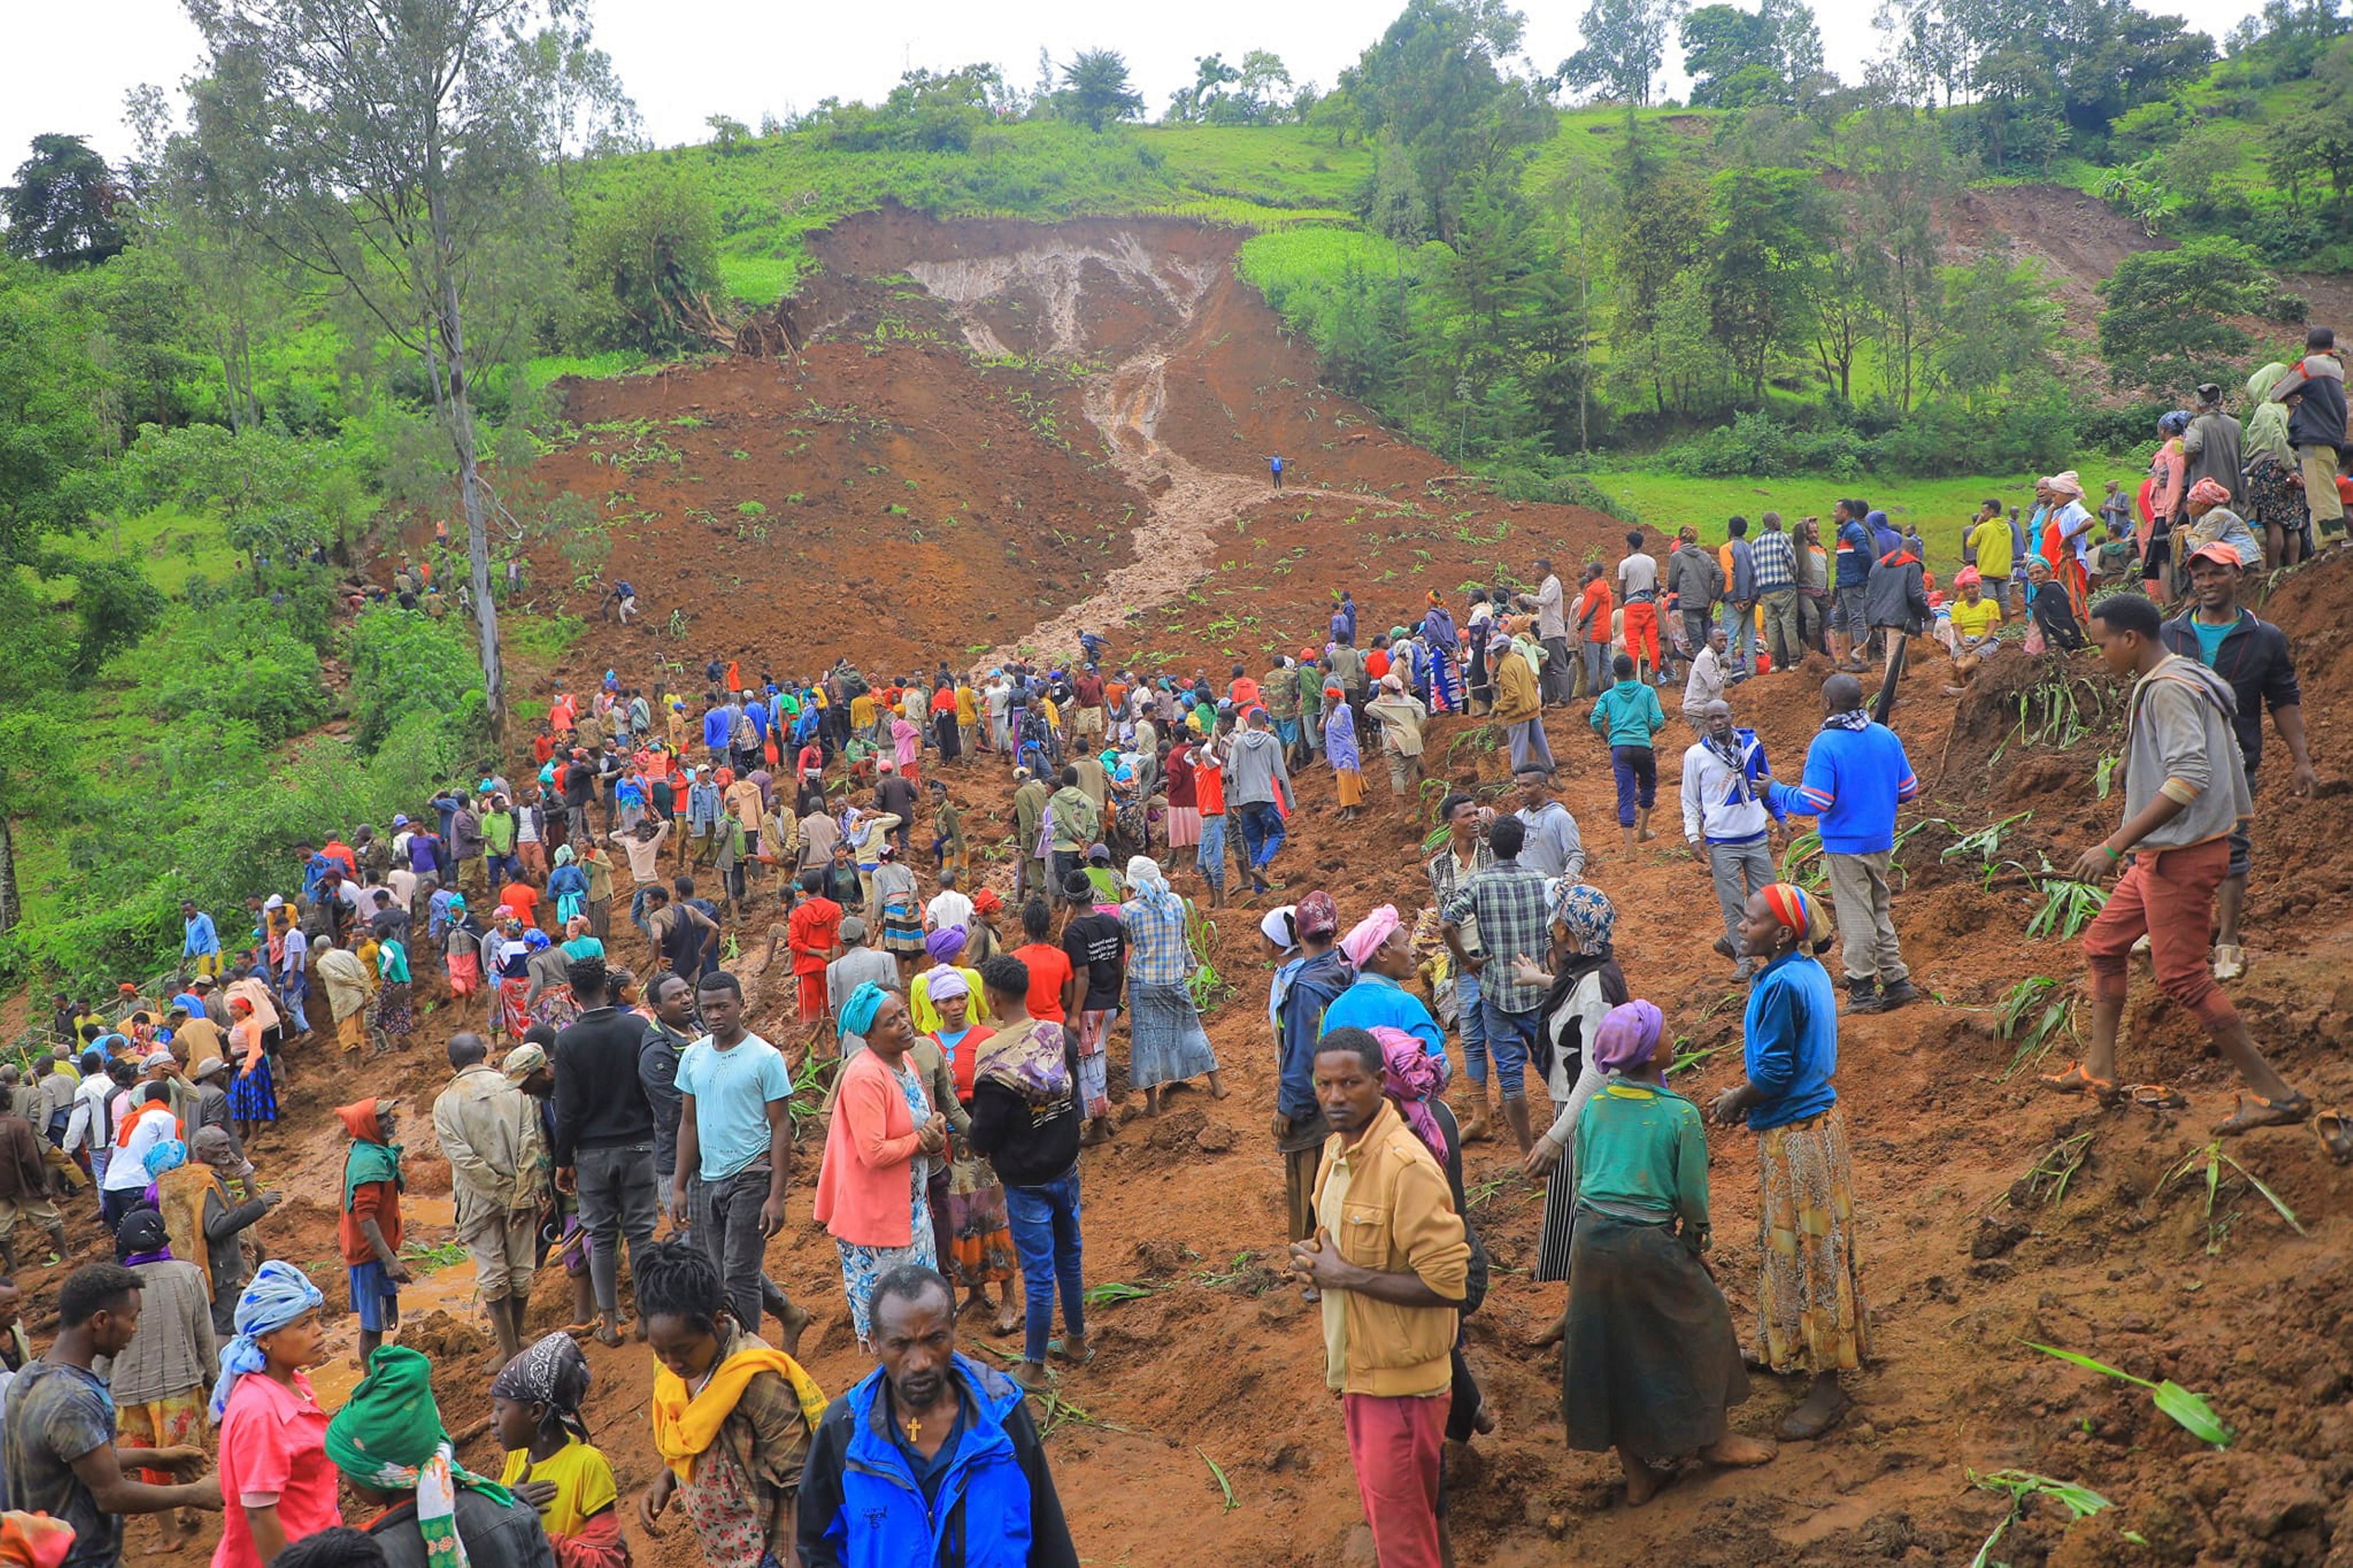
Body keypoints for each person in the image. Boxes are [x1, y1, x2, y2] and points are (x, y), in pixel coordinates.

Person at [2046, 594, 2318, 1138]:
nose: (2099, 655)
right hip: (2162, 854)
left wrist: (2114, 845)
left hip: (2182, 856)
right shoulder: (2181, 673)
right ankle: (2099, 1068)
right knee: (2103, 946)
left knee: (2184, 979)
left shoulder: (2169, 688)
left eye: (2102, 644)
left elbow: (2188, 776)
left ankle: (2278, 1094)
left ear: (2131, 639)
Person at [1561, 1003, 1773, 1501]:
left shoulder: (1595, 1106)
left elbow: (1584, 1177)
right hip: (1649, 1241)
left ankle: (1638, 1474)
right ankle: (1713, 1440)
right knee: (1705, 1319)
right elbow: (1693, 1200)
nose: (1675, 1034)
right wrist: (1695, 1247)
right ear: (1654, 1051)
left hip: (1591, 1241)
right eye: (1668, 1031)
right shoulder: (1680, 1115)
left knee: (1606, 1349)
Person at [1289, 1027, 1470, 1568]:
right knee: (1396, 1525)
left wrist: (1344, 1275)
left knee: (1403, 1541)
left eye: (1350, 1083)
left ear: (1380, 1083)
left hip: (1403, 1390)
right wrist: (1317, 1262)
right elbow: (1340, 1247)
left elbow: (1448, 1284)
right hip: (1361, 1373)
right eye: (1325, 1084)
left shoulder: (1405, 1167)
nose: (1336, 1097)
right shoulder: (1334, 1151)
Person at [1709, 886, 1867, 1441]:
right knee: (1806, 1246)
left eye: (1751, 921)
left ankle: (1829, 1388)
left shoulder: (1779, 986)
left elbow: (1775, 1073)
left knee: (1811, 1252)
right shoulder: (1806, 971)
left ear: (1781, 934)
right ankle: (1792, 1346)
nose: (1740, 925)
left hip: (1796, 1135)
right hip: (1817, 1127)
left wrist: (1737, 1099)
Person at [795, 1265, 1079, 1568]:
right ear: (874, 1341)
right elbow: (815, 1545)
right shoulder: (845, 1431)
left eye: (935, 1339)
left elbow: (1048, 1535)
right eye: (901, 1344)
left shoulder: (1002, 1418)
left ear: (954, 1329)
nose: (920, 1362)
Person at [2160, 544, 2318, 982]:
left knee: (2232, 846)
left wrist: (2301, 760)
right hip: (2173, 758)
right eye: (2200, 576)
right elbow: (2149, 698)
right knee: (2167, 839)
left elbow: (2283, 699)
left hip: (2235, 758)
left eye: (2217, 575)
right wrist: (2129, 754)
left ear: (2238, 577)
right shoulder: (2170, 633)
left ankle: (2227, 940)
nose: (2207, 583)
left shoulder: (2264, 637)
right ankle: (2165, 926)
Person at [7, 1263, 223, 1568]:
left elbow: (79, 1459)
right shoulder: (74, 1399)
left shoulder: (30, 1377)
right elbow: (111, 1494)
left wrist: (157, 1457)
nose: (134, 1330)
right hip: (78, 1556)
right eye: (131, 1320)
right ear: (101, 1321)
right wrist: (194, 1493)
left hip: (45, 1548)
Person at [639, 1240, 827, 1568]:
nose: (672, 1362)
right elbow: (688, 1431)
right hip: (722, 1549)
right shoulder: (673, 1370)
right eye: (661, 1351)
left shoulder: (756, 1379)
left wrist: (797, 1559)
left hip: (767, 1551)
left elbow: (801, 1477)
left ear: (716, 1320)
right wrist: (666, 1478)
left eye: (684, 1349)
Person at [1763, 674, 1921, 1014]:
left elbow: (1815, 800)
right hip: (1881, 839)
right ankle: (1896, 980)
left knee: (1855, 913)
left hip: (1846, 843)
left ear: (1827, 703)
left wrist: (1776, 790)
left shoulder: (1827, 743)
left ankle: (1862, 987)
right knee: (1879, 907)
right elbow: (1909, 790)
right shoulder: (1885, 737)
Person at [966, 957, 1086, 1393]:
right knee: (1069, 1254)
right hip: (1065, 1166)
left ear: (993, 999)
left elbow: (983, 1135)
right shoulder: (1059, 1035)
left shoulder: (993, 1057)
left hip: (1025, 1181)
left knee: (1037, 1272)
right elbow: (1075, 1093)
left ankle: (1033, 1366)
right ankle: (1075, 1339)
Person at [326, 1346, 555, 1568]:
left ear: (381, 1476)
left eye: (347, 1469)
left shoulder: (373, 1557)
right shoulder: (511, 1508)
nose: (345, 1480)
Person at [673, 972, 806, 1351]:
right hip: (710, 1176)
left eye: (723, 1006)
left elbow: (781, 1128)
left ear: (741, 1006)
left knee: (738, 1276)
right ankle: (790, 1314)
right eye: (707, 1007)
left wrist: (777, 1195)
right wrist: (680, 1185)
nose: (714, 1015)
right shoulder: (695, 1056)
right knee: (724, 1269)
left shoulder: (765, 1058)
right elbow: (689, 1122)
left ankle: (747, 1358)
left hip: (752, 1173)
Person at [814, 986, 946, 1349]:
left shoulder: (906, 1062)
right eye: (892, 1021)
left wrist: (932, 1125)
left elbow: (914, 1118)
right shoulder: (865, 1077)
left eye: (903, 1013)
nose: (904, 1024)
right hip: (877, 1221)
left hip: (911, 1212)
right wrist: (922, 1141)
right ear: (869, 1036)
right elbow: (872, 1151)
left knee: (917, 1307)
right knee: (893, 1321)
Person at [551, 959, 657, 1347]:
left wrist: (563, 1161)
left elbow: (567, 1109)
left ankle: (610, 1323)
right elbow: (651, 1085)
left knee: (601, 1232)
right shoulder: (637, 1027)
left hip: (592, 1154)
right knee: (642, 1234)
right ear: (609, 986)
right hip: (640, 1145)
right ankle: (646, 1318)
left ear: (571, 993)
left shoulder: (568, 1040)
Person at [99, 1208, 217, 1544]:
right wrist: (213, 1375)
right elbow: (204, 1334)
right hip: (181, 1380)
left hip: (132, 1388)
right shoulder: (189, 1274)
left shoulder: (113, 1284)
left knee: (150, 1458)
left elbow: (102, 1343)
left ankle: (169, 1534)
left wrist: (102, 1381)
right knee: (183, 1451)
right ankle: (191, 1508)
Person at [210, 1262, 339, 1568]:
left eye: (316, 1319)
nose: (319, 1331)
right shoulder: (260, 1412)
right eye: (304, 1324)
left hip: (315, 1546)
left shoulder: (296, 1385)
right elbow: (259, 1513)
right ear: (266, 1339)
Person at [1438, 817, 1553, 1154]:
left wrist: (1467, 961)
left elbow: (1446, 923)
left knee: (1510, 1074)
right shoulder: (1541, 880)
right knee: (1552, 1066)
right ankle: (1568, 1134)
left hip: (1496, 991)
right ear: (1521, 846)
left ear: (1492, 846)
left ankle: (1526, 1151)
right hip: (1537, 988)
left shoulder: (1479, 883)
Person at [431, 1032, 544, 1364]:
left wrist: (498, 1190)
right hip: (520, 1194)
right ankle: (516, 1336)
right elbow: (530, 1141)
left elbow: (462, 1160)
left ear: (452, 1063)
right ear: (484, 1052)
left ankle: (507, 1348)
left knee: (493, 1272)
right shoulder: (516, 1090)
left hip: (477, 1198)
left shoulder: (445, 1103)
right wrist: (518, 1193)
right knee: (522, 1267)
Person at [492, 1334, 626, 1568]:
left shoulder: (587, 1465)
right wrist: (507, 1500)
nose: (492, 1421)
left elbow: (609, 1558)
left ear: (536, 1412)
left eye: (500, 1409)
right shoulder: (518, 1456)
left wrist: (535, 1536)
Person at [1268, 895, 1352, 1268]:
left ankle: (1310, 1265)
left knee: (1310, 1188)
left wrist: (1289, 1107)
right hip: (1351, 1089)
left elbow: (1301, 1053)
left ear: (1299, 935)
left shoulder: (1305, 986)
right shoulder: (1348, 967)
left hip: (1316, 1102)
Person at [1681, 700, 1785, 981]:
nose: (1717, 723)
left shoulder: (1752, 746)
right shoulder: (1696, 756)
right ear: (1705, 723)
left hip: (1756, 835)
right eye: (1711, 719)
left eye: (1721, 717)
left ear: (1732, 717)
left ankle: (1774, 955)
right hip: (1721, 841)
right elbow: (1690, 799)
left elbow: (1767, 785)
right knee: (1732, 903)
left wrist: (1781, 818)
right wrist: (1693, 836)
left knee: (1767, 899)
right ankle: (1744, 959)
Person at [1118, 858, 1225, 1114]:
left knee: (1147, 1041)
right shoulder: (1176, 902)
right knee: (1191, 1030)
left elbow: (1129, 940)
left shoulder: (1129, 910)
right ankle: (1218, 1086)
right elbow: (1183, 937)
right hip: (1174, 978)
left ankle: (1153, 1106)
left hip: (1144, 982)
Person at [337, 1099, 407, 1363]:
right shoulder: (369, 1163)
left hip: (369, 1253)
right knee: (373, 1326)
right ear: (367, 1125)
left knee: (375, 1321)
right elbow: (365, 1217)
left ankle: (373, 1381)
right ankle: (371, 1385)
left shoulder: (370, 1151)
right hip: (371, 1256)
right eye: (382, 1118)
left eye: (390, 1115)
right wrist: (390, 1261)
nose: (391, 1120)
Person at [1059, 873, 1126, 1146]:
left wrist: (1074, 1014)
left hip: (1089, 1007)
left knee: (1091, 1064)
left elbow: (1082, 975)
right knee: (1097, 1058)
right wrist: (1117, 997)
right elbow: (1121, 962)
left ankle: (1098, 1127)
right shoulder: (1111, 922)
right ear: (1092, 895)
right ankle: (1103, 1120)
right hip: (1109, 1002)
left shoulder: (1075, 932)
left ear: (1070, 901)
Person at [2266, 323, 2346, 545]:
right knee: (2317, 494)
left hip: (2314, 437)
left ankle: (2334, 541)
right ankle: (2321, 547)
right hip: (2331, 437)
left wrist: (2289, 397)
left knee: (2322, 495)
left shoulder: (2309, 365)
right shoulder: (2336, 367)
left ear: (2308, 346)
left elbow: (2276, 393)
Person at [1590, 653, 1667, 849]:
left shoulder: (1608, 696)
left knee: (1625, 793)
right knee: (1648, 786)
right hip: (1643, 746)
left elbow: (1595, 720)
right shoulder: (1647, 692)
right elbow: (1658, 720)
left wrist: (1608, 737)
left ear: (1614, 674)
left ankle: (1630, 849)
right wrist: (1646, 734)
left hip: (1620, 748)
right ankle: (1642, 832)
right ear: (1634, 672)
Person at [2243, 362, 2310, 569]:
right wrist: (2294, 468)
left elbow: (2277, 438)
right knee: (2292, 524)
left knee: (2274, 525)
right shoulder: (2291, 409)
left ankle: (2273, 571)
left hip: (2271, 468)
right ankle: (2293, 568)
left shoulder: (2266, 409)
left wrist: (2288, 466)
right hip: (2294, 467)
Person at [1227, 709, 1296, 896]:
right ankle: (1262, 865)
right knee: (1278, 834)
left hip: (1246, 802)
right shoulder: (1272, 743)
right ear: (1265, 725)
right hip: (1266, 798)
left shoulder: (1239, 743)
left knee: (1255, 842)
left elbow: (1231, 772)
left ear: (1249, 724)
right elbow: (1281, 774)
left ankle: (1259, 891)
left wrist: (1234, 799)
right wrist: (1289, 802)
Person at [0, 1096, 65, 1274]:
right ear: (8, 1101)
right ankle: (65, 1255)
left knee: (2, 1230)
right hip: (24, 1185)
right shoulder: (19, 1126)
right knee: (50, 1218)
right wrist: (41, 1183)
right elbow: (30, 1158)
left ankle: (13, 1268)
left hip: (2, 1189)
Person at [1490, 612, 1552, 779]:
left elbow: (1513, 695)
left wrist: (1497, 708)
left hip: (1518, 715)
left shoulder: (1506, 667)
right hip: (1533, 710)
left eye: (1496, 651)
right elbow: (1535, 682)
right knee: (1542, 748)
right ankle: (1552, 776)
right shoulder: (1520, 660)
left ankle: (1519, 780)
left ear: (1504, 649)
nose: (1494, 654)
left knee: (1518, 751)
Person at [1618, 529, 1665, 683]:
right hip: (1648, 605)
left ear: (1628, 545)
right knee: (1652, 642)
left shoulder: (1625, 564)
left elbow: (1622, 588)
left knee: (1633, 644)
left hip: (1632, 607)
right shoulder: (1651, 561)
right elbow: (1655, 585)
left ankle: (1631, 676)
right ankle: (1656, 673)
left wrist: (1626, 602)